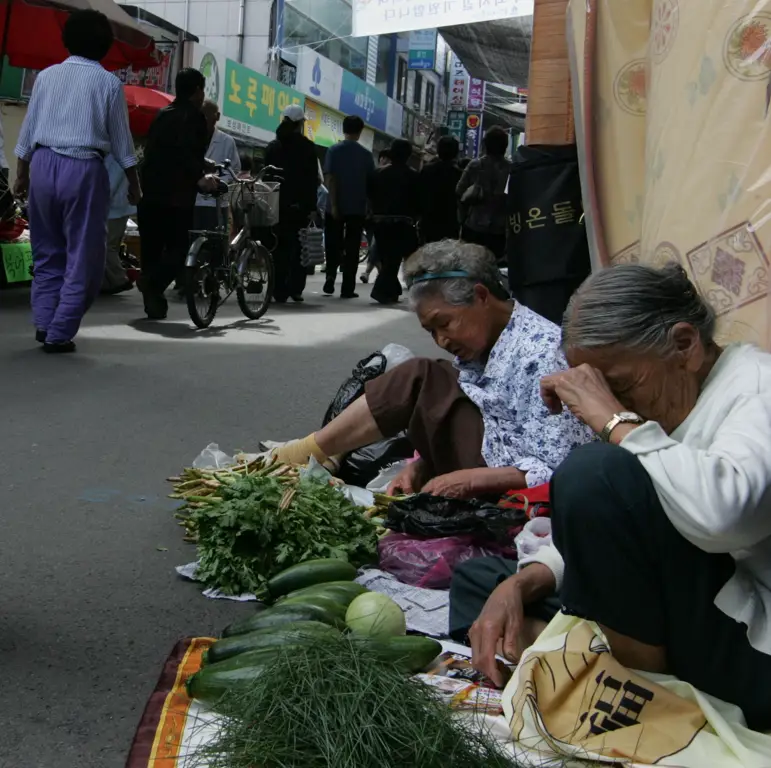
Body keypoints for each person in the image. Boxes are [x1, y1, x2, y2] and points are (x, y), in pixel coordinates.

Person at [461, 263, 771, 733]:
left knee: (591, 472)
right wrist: (523, 582)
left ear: (684, 346)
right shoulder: (676, 396)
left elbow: (721, 519)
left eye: (622, 386)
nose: (621, 407)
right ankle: (569, 649)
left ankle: (642, 695)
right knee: (481, 583)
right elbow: (633, 518)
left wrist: (615, 422)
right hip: (694, 605)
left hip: (756, 642)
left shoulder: (757, 386)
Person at [274, 240, 593, 494]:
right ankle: (305, 454)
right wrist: (423, 464)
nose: (441, 339)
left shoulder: (540, 354)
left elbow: (560, 469)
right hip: (493, 456)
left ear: (481, 296)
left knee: (422, 377)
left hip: (516, 488)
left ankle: (296, 455)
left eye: (445, 323)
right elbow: (485, 414)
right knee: (430, 376)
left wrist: (471, 480)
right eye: (430, 331)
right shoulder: (487, 345)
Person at [13, 10, 140, 353]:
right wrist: (134, 182)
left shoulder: (47, 77)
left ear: (66, 40)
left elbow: (28, 129)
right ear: (105, 46)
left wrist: (22, 173)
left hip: (41, 164)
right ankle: (59, 331)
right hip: (83, 168)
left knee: (47, 251)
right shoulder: (109, 83)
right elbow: (122, 144)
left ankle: (44, 322)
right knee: (84, 255)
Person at [137, 68, 218, 319]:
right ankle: (152, 285)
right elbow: (184, 154)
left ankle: (154, 302)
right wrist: (200, 177)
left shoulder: (163, 114)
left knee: (151, 249)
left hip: (149, 194)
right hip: (176, 198)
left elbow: (164, 152)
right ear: (196, 91)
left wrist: (202, 163)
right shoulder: (193, 118)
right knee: (179, 250)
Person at [264, 104, 320, 303]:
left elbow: (266, 177)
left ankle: (278, 290)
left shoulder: (273, 146)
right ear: (300, 124)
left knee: (278, 248)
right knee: (299, 247)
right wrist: (312, 207)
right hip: (300, 206)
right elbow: (312, 180)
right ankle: (296, 288)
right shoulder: (307, 147)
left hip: (276, 204)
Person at [323, 115, 375, 298]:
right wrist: (369, 207)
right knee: (353, 248)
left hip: (333, 206)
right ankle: (347, 288)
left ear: (343, 129)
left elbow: (330, 179)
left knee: (332, 243)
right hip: (357, 208)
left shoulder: (333, 151)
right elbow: (371, 185)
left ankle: (330, 276)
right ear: (360, 132)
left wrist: (335, 205)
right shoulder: (366, 155)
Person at [366, 139, 420, 304]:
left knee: (389, 258)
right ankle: (383, 291)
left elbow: (370, 196)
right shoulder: (414, 176)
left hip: (380, 222)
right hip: (403, 222)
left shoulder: (377, 174)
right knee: (395, 258)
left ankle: (391, 290)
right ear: (409, 155)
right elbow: (418, 201)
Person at [456, 126, 511, 263]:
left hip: (474, 226)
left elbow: (459, 191)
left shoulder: (475, 165)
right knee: (492, 267)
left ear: (485, 145)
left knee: (471, 265)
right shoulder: (512, 169)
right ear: (505, 146)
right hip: (500, 229)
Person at [193, 100, 240, 232]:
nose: (203, 121)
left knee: (216, 243)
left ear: (217, 117)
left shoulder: (227, 141)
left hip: (217, 203)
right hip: (194, 201)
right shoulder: (191, 138)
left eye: (207, 116)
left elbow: (234, 169)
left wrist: (219, 183)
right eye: (201, 116)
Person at [101, 153, 136, 295]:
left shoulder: (115, 158)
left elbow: (110, 186)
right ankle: (105, 282)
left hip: (113, 209)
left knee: (107, 247)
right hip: (114, 208)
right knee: (108, 246)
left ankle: (119, 279)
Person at [420, 136, 462, 243]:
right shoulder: (459, 174)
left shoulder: (427, 170)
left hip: (429, 221)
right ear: (456, 153)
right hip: (451, 223)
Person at [360, 149, 392, 285]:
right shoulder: (374, 174)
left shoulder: (389, 175)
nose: (383, 161)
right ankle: (382, 274)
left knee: (376, 245)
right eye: (382, 158)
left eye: (386, 159)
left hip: (382, 217)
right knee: (376, 245)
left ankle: (368, 273)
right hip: (370, 216)